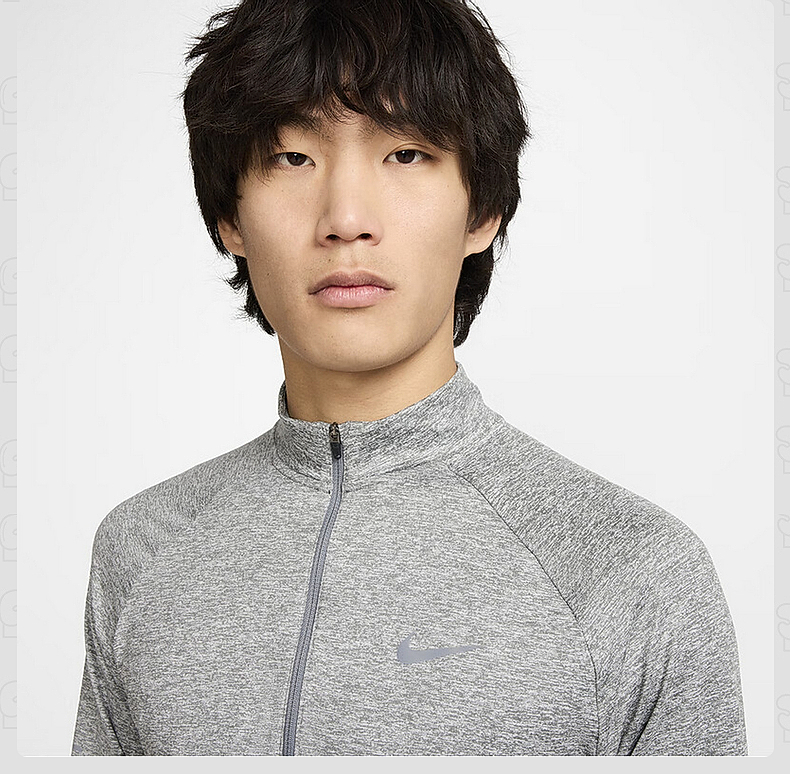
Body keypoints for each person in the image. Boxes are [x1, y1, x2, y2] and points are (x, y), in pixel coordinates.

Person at [71, 0, 747, 756]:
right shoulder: (142, 549)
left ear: (482, 210)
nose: (345, 218)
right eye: (293, 157)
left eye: (405, 154)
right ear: (230, 219)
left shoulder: (635, 572)